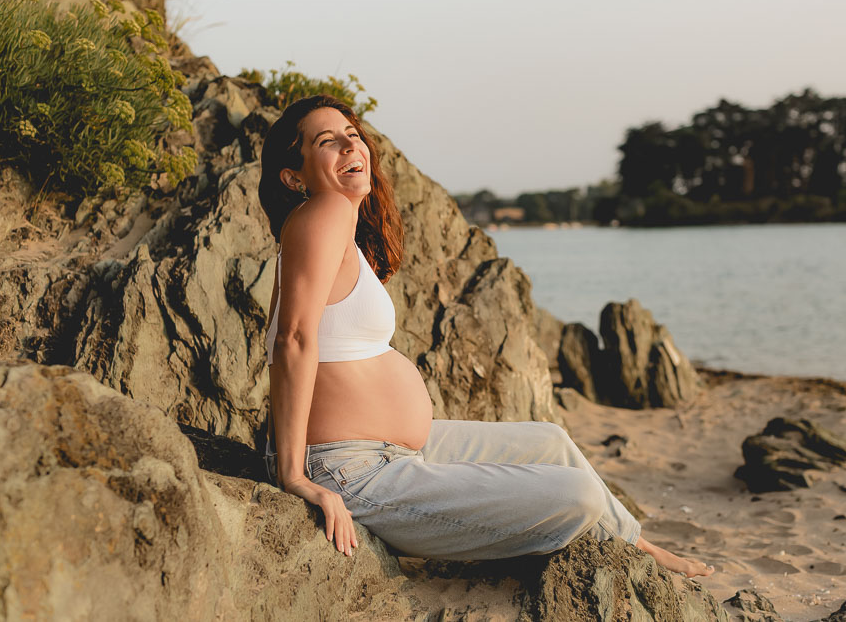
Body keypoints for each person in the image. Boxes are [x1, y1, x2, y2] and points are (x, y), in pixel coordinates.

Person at [256, 94, 713, 577]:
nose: (351, 146)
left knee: (552, 441)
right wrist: (293, 474)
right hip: (350, 470)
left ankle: (639, 547)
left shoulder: (329, 224)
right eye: (327, 142)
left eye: (353, 135)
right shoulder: (324, 211)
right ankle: (629, 547)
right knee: (578, 496)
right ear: (293, 176)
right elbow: (291, 340)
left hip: (390, 450)